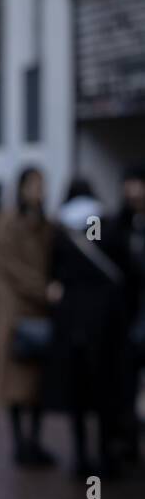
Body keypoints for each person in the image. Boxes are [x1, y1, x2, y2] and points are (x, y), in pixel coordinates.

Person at [46, 179, 131, 478]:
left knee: (78, 391)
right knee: (105, 389)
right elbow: (125, 269)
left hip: (72, 322)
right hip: (105, 321)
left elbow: (53, 273)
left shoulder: (61, 230)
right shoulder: (107, 224)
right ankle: (106, 456)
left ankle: (81, 458)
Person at [0, 166, 56, 467]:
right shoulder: (8, 223)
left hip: (40, 313)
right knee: (16, 384)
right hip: (17, 314)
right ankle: (19, 444)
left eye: (41, 186)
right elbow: (11, 267)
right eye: (33, 185)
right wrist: (44, 290)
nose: (38, 192)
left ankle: (34, 442)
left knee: (38, 384)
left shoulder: (47, 225)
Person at [112, 163, 145, 463]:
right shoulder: (120, 225)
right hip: (129, 322)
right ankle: (128, 442)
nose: (133, 191)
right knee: (126, 385)